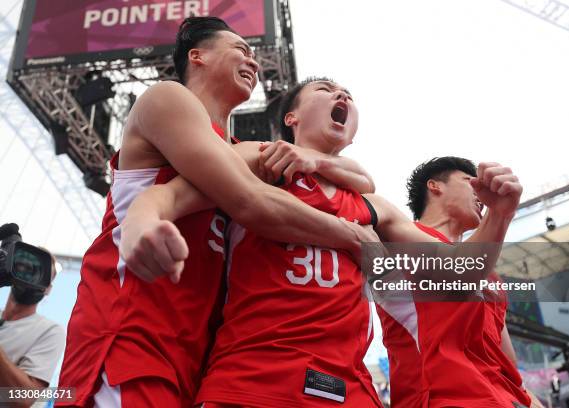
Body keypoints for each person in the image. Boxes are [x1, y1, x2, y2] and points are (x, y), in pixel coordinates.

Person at [122, 77, 523, 407]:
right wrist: (141, 220)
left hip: (351, 391)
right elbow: (170, 195)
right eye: (325, 89)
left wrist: (501, 215)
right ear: (291, 117)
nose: (341, 95)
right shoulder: (257, 161)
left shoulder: (372, 205)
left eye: (347, 93)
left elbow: (461, 272)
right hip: (254, 381)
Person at [57, 18, 378, 408]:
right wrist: (351, 234)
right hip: (133, 335)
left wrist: (316, 161)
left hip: (198, 358)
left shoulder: (243, 150)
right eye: (241, 50)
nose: (254, 62)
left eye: (255, 55)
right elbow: (251, 202)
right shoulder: (167, 98)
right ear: (198, 56)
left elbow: (361, 178)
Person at [377, 157, 542, 408]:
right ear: (435, 186)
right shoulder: (396, 239)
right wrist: (499, 214)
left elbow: (506, 362)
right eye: (469, 181)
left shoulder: (491, 277)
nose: (480, 195)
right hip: (440, 398)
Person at [0, 250, 65, 408]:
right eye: (22, 266)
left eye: (40, 272)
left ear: (48, 288)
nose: (28, 274)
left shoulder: (50, 331)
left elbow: (25, 398)